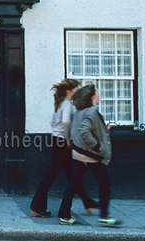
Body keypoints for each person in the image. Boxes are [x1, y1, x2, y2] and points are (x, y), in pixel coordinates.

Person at [30, 79, 98, 218]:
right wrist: (67, 138)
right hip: (62, 143)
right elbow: (66, 121)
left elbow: (53, 121)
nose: (78, 91)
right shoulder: (67, 104)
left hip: (56, 140)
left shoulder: (60, 103)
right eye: (76, 89)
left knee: (72, 173)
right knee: (52, 175)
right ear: (69, 91)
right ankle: (36, 207)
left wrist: (58, 132)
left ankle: (88, 202)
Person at [58, 84, 122, 227]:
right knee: (105, 183)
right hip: (89, 154)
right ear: (92, 96)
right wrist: (97, 146)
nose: (99, 93)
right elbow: (84, 131)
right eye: (97, 91)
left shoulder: (80, 111)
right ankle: (104, 216)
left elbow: (79, 130)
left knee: (73, 183)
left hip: (78, 152)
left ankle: (64, 215)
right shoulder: (91, 112)